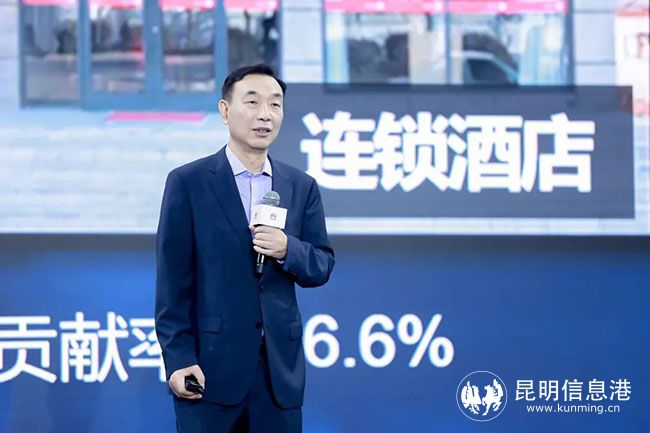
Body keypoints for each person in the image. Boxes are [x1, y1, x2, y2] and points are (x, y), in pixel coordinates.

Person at [155, 64, 335, 433]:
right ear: (225, 110)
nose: (265, 114)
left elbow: (321, 264)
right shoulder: (189, 182)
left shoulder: (300, 186)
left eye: (275, 105)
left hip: (278, 377)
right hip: (209, 373)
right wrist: (178, 359)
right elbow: (172, 284)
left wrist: (287, 249)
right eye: (252, 102)